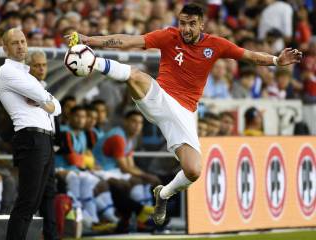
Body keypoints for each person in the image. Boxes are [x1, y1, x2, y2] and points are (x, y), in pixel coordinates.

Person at [67, 3, 302, 225]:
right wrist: (91, 40)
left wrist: (276, 61)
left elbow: (248, 55)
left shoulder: (216, 44)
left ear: (202, 25)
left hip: (184, 113)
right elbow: (130, 40)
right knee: (136, 75)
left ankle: (164, 194)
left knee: (193, 170)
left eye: (191, 24)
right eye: (182, 23)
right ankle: (91, 61)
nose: (186, 28)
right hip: (159, 97)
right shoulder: (169, 36)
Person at [0, 28, 61, 240]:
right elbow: (42, 96)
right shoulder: (6, 72)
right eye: (15, 42)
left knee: (33, 203)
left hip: (44, 139)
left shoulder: (26, 74)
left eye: (23, 41)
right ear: (5, 48)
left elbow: (57, 107)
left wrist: (46, 101)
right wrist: (45, 100)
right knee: (26, 202)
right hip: (30, 138)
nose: (21, 45)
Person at [26, 50, 59, 240]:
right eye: (37, 65)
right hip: (33, 144)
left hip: (49, 144)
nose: (41, 69)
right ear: (28, 67)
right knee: (32, 193)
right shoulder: (26, 87)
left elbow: (55, 116)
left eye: (44, 65)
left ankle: (51, 235)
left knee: (49, 192)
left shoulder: (46, 88)